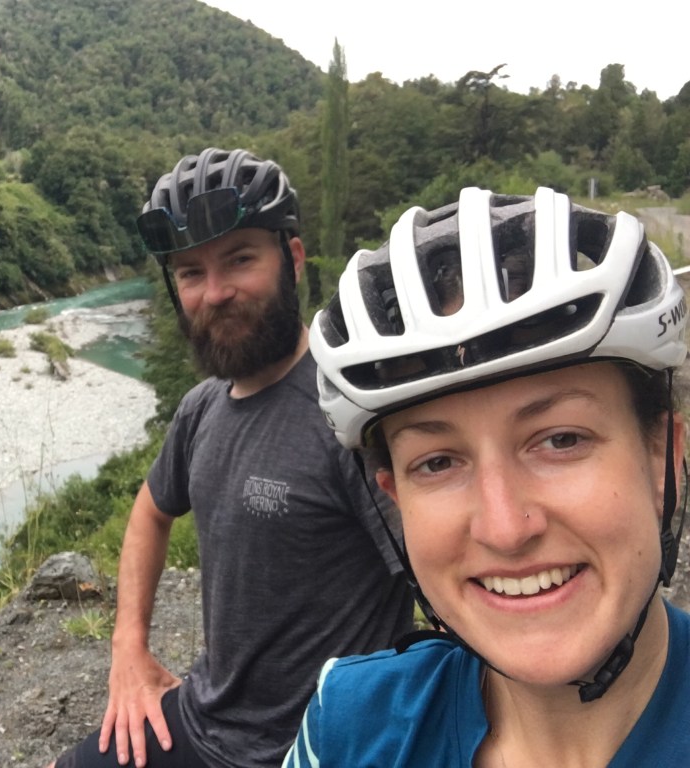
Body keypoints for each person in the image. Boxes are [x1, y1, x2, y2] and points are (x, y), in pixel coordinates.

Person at [285, 186, 690, 767]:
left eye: (561, 439)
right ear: (395, 500)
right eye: (438, 462)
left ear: (662, 457)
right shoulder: (347, 726)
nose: (505, 529)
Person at [49, 147, 415, 768]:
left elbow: (449, 583)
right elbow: (149, 513)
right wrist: (128, 648)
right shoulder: (201, 408)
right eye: (191, 273)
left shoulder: (348, 414)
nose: (215, 293)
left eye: (240, 260)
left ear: (292, 259)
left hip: (318, 749)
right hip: (205, 721)